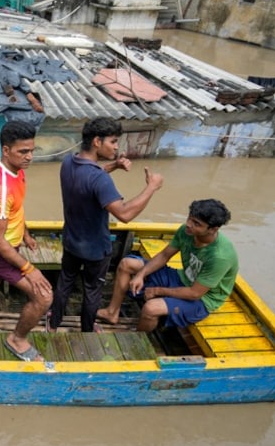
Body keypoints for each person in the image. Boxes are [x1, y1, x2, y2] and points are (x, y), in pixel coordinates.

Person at [48, 117, 164, 333]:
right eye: (113, 142)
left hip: (72, 241)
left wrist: (114, 166)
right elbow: (125, 214)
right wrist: (152, 187)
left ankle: (53, 324)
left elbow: (88, 179)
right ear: (97, 142)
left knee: (65, 282)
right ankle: (87, 331)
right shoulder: (100, 180)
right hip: (95, 249)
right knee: (92, 290)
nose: (117, 147)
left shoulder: (68, 162)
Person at [0, 120, 54, 362]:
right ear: (6, 150)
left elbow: (16, 210)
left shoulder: (16, 172)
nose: (30, 157)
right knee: (44, 297)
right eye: (23, 152)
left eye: (32, 151)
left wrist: (26, 233)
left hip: (10, 245)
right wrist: (29, 269)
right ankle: (17, 339)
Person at [96, 199, 238, 332]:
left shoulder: (220, 256)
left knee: (151, 309)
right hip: (182, 278)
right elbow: (164, 256)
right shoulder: (186, 231)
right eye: (189, 218)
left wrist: (157, 291)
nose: (189, 224)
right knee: (127, 264)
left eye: (196, 223)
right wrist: (140, 275)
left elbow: (194, 293)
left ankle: (138, 338)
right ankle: (111, 312)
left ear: (212, 229)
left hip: (203, 299)